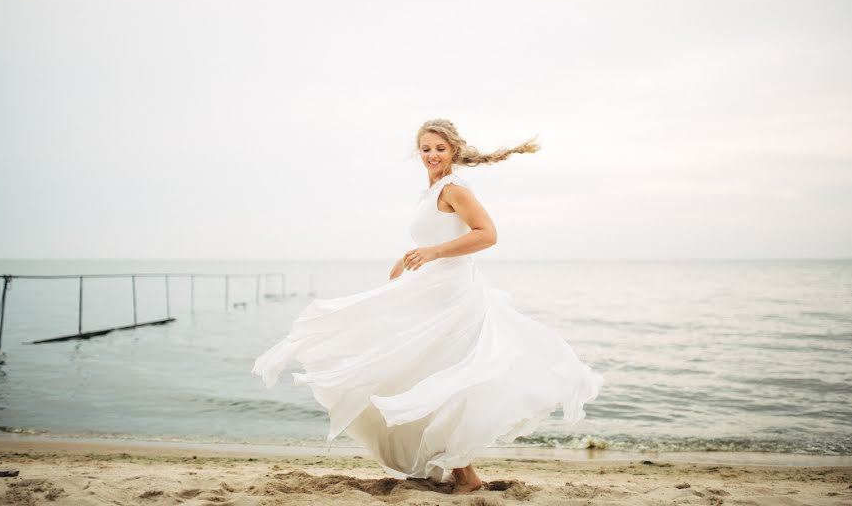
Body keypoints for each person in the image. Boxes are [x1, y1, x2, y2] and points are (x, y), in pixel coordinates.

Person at [252, 118, 605, 494]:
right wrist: (406, 263)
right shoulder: (432, 191)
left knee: (439, 377)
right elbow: (434, 237)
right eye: (425, 148)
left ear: (452, 149)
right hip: (431, 290)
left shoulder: (454, 188)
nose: (432, 155)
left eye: (439, 148)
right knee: (419, 373)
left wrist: (433, 252)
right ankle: (449, 469)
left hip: (453, 295)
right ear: (417, 152)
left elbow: (487, 234)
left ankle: (465, 476)